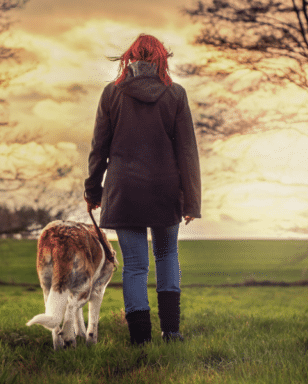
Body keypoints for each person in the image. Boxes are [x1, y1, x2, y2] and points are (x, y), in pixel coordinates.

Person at [84, 34, 201, 345]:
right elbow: (187, 151)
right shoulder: (175, 94)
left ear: (129, 59)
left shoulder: (112, 93)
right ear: (162, 59)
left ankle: (140, 340)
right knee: (167, 256)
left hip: (124, 190)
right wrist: (191, 201)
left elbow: (99, 148)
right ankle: (171, 333)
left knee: (135, 265)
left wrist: (93, 191)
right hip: (166, 189)